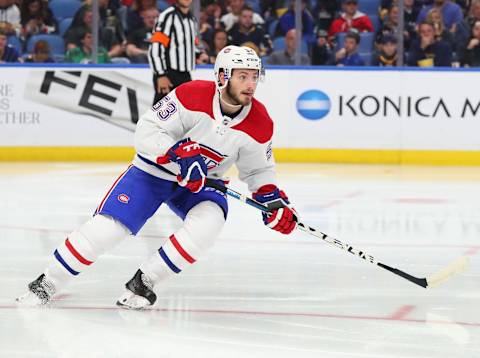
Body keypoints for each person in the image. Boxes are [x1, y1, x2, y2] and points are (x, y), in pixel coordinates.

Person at [16, 45, 298, 310]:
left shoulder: (260, 122)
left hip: (202, 183)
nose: (251, 84)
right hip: (154, 171)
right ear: (223, 77)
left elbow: (259, 170)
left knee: (209, 223)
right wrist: (175, 151)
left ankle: (144, 282)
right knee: (108, 229)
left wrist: (271, 199)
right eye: (243, 76)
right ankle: (47, 283)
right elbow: (148, 130)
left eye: (254, 77)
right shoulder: (192, 94)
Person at [149, 0, 199, 105]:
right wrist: (160, 75)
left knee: (185, 115)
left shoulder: (191, 19)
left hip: (185, 75)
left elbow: (188, 45)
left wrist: (199, 54)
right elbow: (156, 47)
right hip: (168, 74)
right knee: (159, 116)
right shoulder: (167, 16)